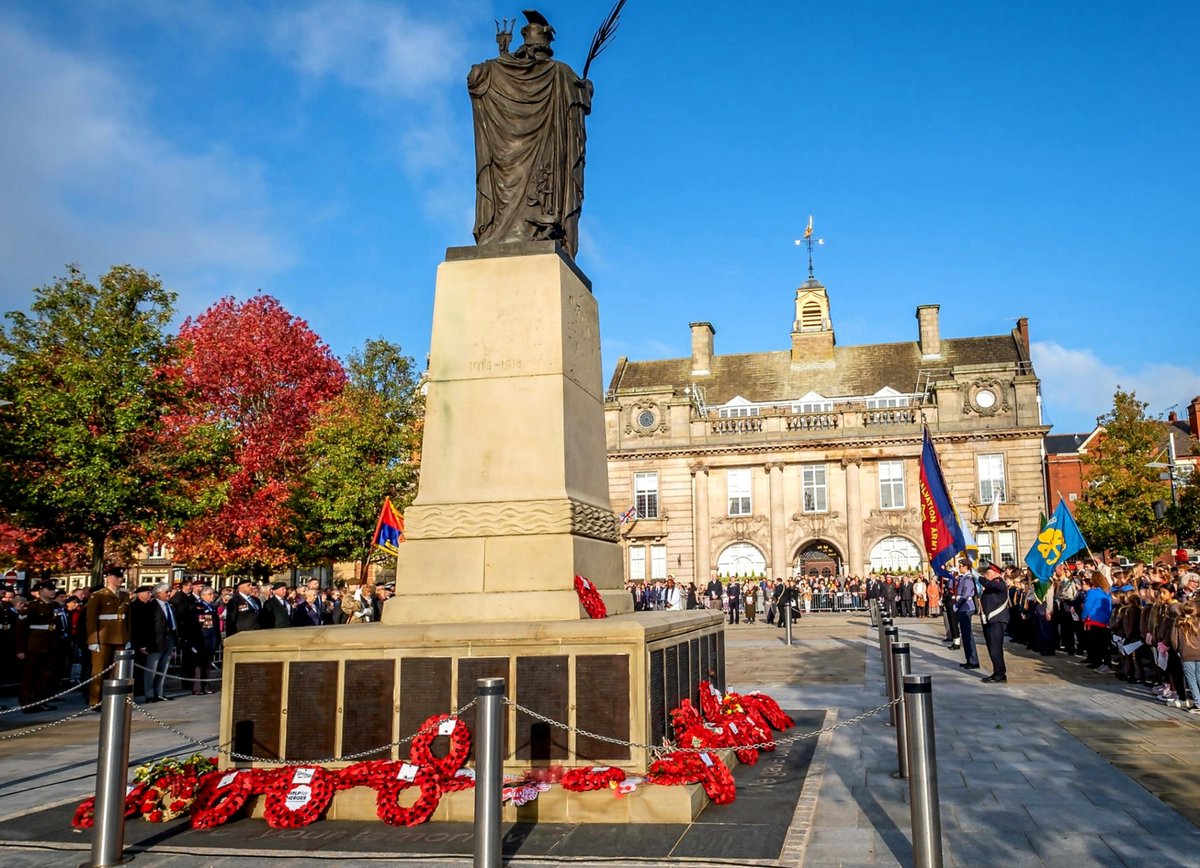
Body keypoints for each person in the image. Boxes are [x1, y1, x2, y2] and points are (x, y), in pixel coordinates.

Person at [468, 10, 592, 257]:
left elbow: (475, 77)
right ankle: (541, 228)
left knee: (527, 190)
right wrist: (585, 87)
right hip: (546, 156)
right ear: (545, 48)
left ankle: (505, 231)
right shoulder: (560, 73)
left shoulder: (497, 69)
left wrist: (501, 60)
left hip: (507, 162)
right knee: (543, 187)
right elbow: (581, 96)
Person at [84, 567, 130, 707]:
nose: (120, 579)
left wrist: (128, 638)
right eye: (117, 577)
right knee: (99, 670)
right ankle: (95, 700)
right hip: (103, 638)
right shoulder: (98, 595)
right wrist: (93, 640)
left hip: (120, 636)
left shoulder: (124, 596)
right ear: (109, 578)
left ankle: (112, 699)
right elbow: (91, 619)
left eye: (121, 577)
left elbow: (128, 619)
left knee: (116, 671)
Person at [15, 580, 63, 712]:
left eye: (53, 589)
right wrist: (20, 649)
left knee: (45, 675)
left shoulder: (54, 606)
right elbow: (20, 630)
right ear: (41, 591)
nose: (53, 591)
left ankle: (40, 700)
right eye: (50, 589)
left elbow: (58, 627)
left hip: (50, 644)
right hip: (34, 646)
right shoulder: (31, 607)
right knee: (30, 675)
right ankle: (27, 702)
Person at [140, 583, 179, 702]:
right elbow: (145, 627)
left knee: (163, 668)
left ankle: (160, 692)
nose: (169, 594)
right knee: (152, 668)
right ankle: (149, 694)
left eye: (169, 591)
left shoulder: (170, 605)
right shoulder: (151, 606)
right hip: (155, 641)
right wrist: (143, 644)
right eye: (166, 592)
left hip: (169, 639)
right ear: (158, 593)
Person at [184, 587, 221, 695]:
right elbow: (191, 626)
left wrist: (217, 640)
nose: (212, 596)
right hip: (200, 641)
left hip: (211, 641)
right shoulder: (196, 608)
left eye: (213, 594)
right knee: (198, 666)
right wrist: (191, 642)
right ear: (203, 596)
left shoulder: (212, 608)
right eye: (209, 594)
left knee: (207, 666)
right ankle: (197, 687)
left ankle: (205, 686)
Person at [978, 562, 1010, 683]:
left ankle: (1000, 674)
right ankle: (997, 671)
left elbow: (988, 584)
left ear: (994, 574)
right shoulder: (992, 585)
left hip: (997, 620)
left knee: (996, 648)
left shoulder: (999, 583)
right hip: (990, 620)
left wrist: (977, 577)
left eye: (987, 574)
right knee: (992, 647)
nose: (986, 576)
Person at [952, 561, 980, 670]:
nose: (959, 567)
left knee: (968, 635)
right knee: (965, 634)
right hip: (963, 608)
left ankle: (973, 660)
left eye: (961, 566)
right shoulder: (963, 577)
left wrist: (957, 605)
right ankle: (969, 659)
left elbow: (967, 594)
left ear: (966, 567)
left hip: (966, 607)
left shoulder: (968, 578)